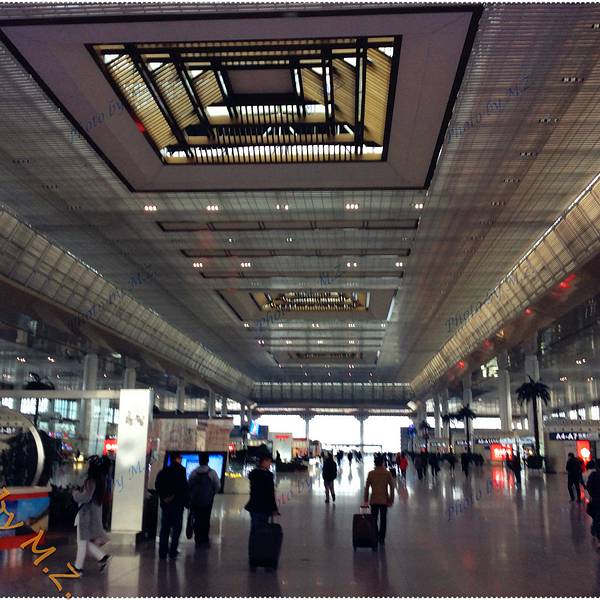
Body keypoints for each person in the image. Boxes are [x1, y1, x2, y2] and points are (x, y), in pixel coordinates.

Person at [72, 456, 111, 574]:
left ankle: (78, 568)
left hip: (86, 515)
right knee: (84, 542)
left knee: (82, 542)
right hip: (91, 515)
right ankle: (102, 557)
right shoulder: (101, 480)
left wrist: (75, 494)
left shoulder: (91, 481)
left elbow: (86, 497)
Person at [245, 453, 279, 569]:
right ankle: (263, 558)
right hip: (264, 508)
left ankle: (253, 560)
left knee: (254, 533)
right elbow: (270, 494)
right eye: (269, 461)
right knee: (263, 533)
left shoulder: (253, 474)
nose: (270, 464)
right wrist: (274, 509)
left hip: (254, 507)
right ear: (263, 462)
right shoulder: (268, 475)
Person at [155, 452, 189, 559]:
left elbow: (157, 485)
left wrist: (164, 497)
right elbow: (183, 487)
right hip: (177, 504)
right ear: (177, 459)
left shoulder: (163, 471)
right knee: (176, 528)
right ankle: (173, 551)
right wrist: (186, 502)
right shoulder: (181, 470)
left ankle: (162, 552)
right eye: (180, 458)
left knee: (165, 528)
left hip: (166, 504)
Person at [188, 454, 221, 547]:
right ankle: (204, 540)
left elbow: (189, 485)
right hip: (207, 501)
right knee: (205, 519)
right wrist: (212, 493)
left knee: (197, 519)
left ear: (199, 461)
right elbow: (218, 486)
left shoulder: (193, 472)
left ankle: (197, 539)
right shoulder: (212, 473)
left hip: (195, 501)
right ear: (207, 461)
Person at [362, 454, 394, 546]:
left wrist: (366, 499)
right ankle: (382, 538)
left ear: (375, 463)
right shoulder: (387, 473)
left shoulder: (371, 473)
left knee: (374, 519)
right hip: (384, 500)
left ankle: (375, 535)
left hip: (374, 500)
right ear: (383, 463)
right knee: (383, 519)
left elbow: (367, 487)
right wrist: (391, 499)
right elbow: (392, 487)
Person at [586, 460, 600, 549]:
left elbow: (589, 487)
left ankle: (597, 534)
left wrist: (593, 495)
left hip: (596, 501)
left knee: (597, 518)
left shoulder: (593, 475)